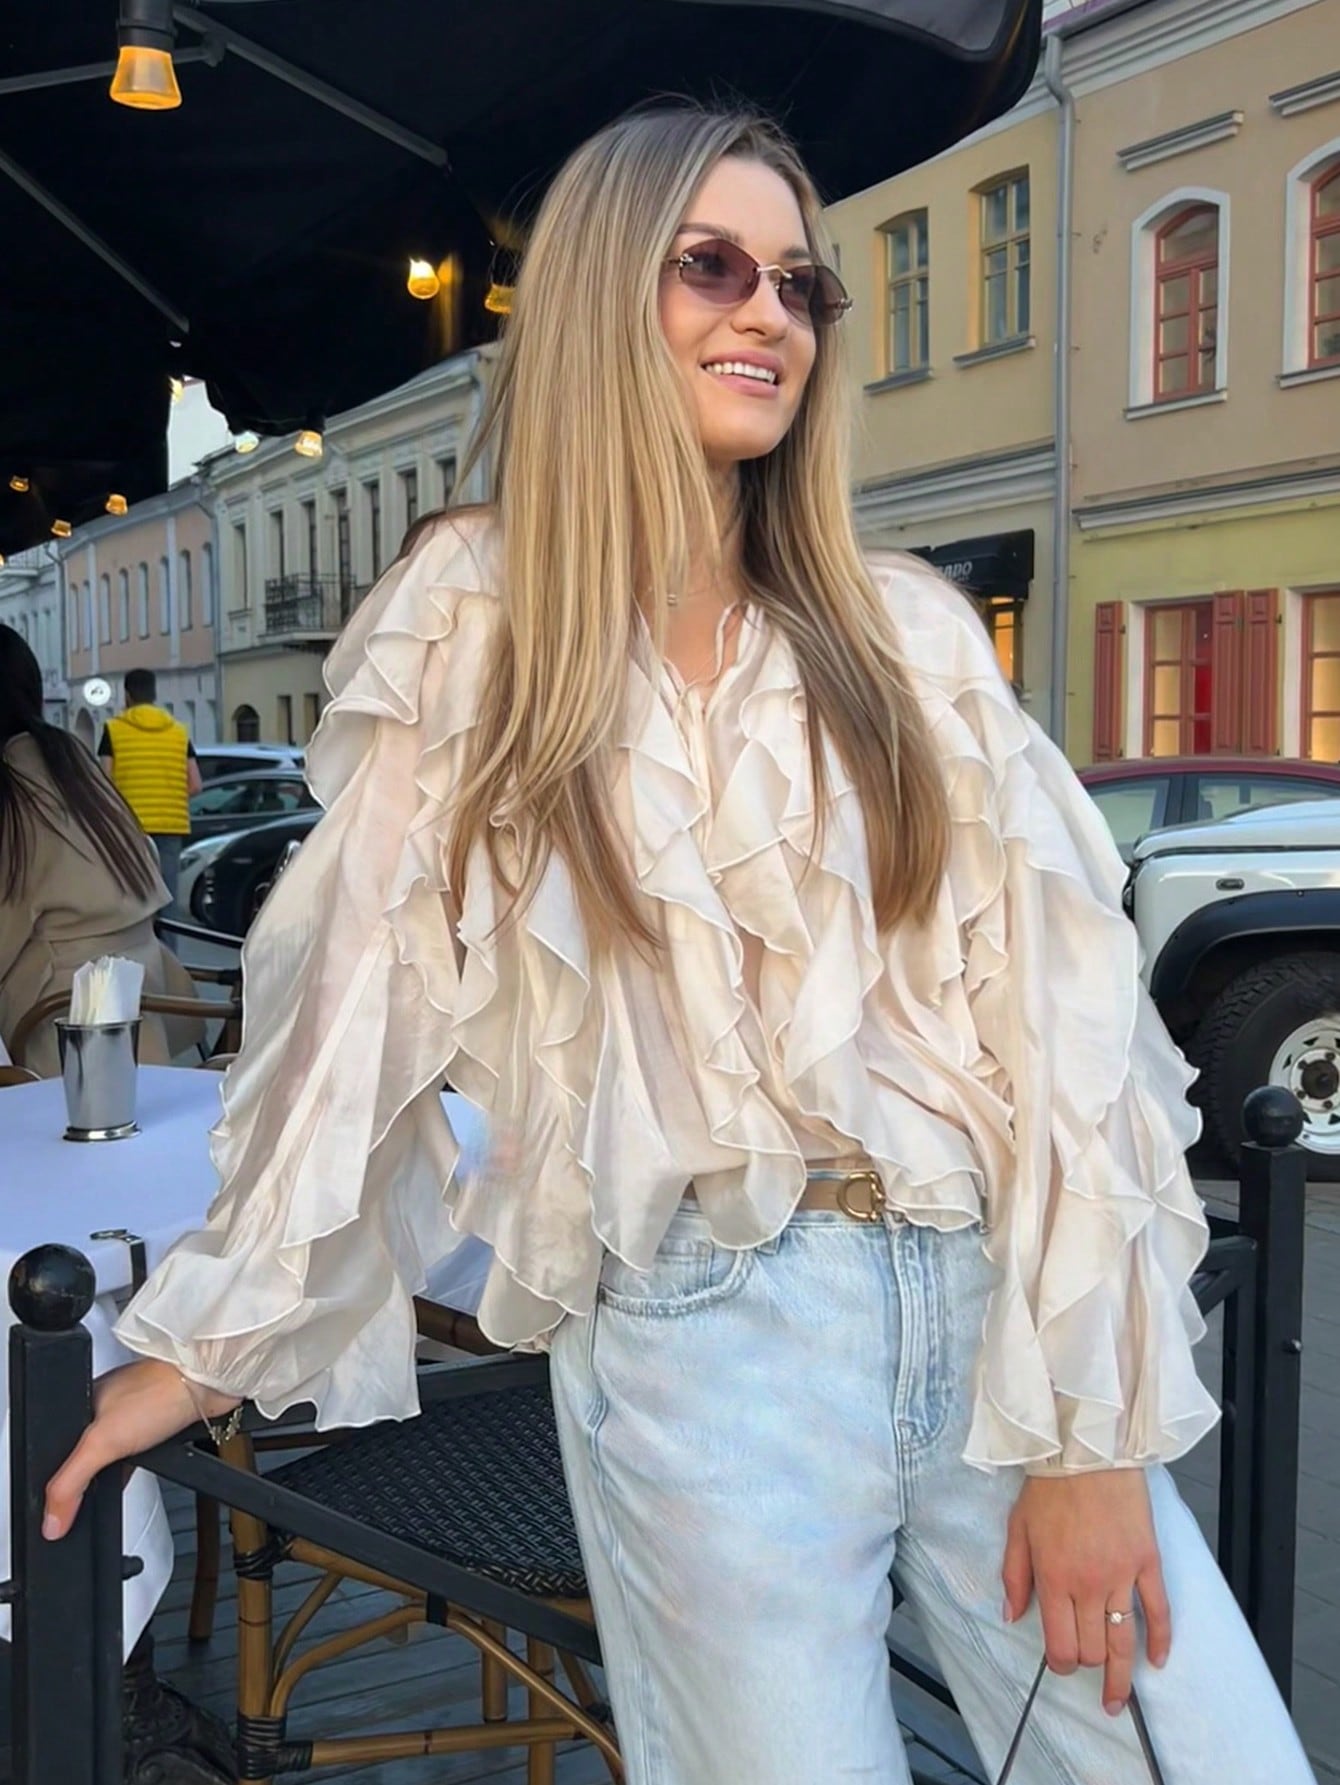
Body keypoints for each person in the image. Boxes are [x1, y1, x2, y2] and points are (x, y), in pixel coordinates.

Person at [45, 107, 1314, 1784]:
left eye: (800, 283)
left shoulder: (903, 630)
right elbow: (357, 1002)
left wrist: (1091, 1432)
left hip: (996, 1310)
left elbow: (1066, 1037)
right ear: (597, 295)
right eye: (710, 266)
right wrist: (200, 1352)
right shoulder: (479, 613)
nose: (769, 312)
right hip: (708, 1342)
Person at [0, 627, 205, 1075]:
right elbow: (194, 784)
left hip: (67, 1020)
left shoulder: (16, 782)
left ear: (127, 695)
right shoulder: (69, 755)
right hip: (143, 986)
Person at [98, 666, 202, 910]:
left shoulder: (113, 729)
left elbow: (104, 782)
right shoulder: (179, 731)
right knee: (167, 899)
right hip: (170, 825)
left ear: (127, 695)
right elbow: (195, 784)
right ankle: (168, 936)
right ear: (154, 694)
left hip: (128, 826)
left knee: (132, 900)